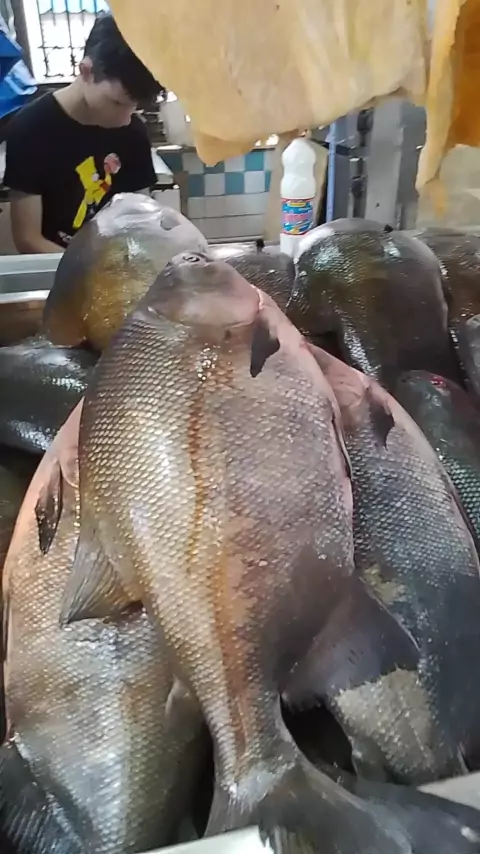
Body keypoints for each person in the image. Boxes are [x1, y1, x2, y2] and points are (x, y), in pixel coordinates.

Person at [3, 12, 163, 253]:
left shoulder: (133, 132)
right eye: (117, 102)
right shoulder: (29, 130)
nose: (125, 119)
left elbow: (143, 224)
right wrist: (88, 270)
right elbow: (29, 239)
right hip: (57, 268)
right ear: (86, 71)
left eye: (135, 106)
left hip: (119, 267)